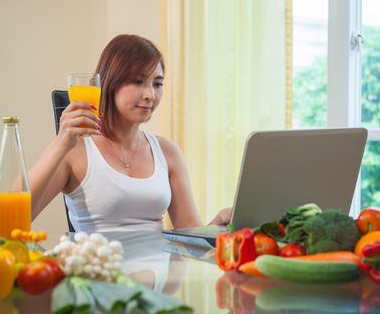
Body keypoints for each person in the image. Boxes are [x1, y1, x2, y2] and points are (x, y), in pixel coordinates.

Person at [29, 34, 231, 232]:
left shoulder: (166, 151)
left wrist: (219, 223)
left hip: (160, 265)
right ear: (110, 82)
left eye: (157, 84)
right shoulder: (75, 150)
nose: (150, 95)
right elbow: (17, 214)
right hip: (103, 265)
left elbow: (190, 234)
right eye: (137, 81)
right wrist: (61, 142)